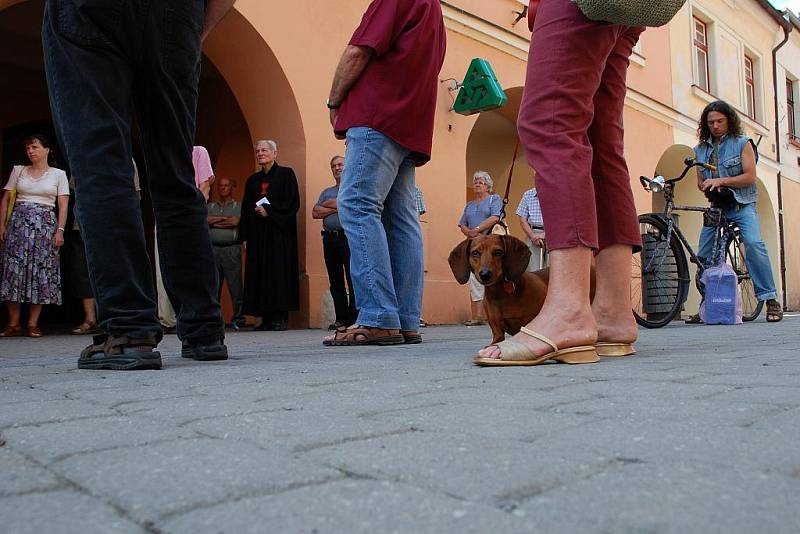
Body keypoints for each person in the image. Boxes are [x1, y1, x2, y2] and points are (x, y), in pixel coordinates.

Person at [42, 0, 235, 369]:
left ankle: (129, 330)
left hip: (90, 13)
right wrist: (192, 31)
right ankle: (204, 331)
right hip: (177, 15)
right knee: (176, 172)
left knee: (101, 163)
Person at [476, 0, 644, 365]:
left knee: (550, 123)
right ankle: (612, 312)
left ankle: (569, 311)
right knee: (601, 141)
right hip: (622, 10)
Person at [324, 0, 446, 346]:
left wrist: (334, 102)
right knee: (401, 218)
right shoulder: (433, 9)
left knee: (357, 206)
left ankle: (378, 315)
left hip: (377, 115)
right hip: (408, 123)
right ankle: (405, 318)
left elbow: (357, 52)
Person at [685, 100, 782, 323]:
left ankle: (770, 300)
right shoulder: (700, 150)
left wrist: (722, 180)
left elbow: (749, 177)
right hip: (717, 207)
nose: (715, 126)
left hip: (741, 204)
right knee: (703, 254)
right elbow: (700, 181)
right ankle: (708, 304)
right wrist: (708, 185)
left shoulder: (742, 143)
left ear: (729, 121)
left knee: (754, 244)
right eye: (711, 122)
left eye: (720, 121)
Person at [0, 134, 69, 338]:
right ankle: (13, 323)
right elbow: (5, 199)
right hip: (18, 226)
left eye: (34, 147)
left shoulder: (58, 174)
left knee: (39, 271)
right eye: (28, 148)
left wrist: (60, 230)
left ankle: (32, 323)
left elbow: (63, 204)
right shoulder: (18, 170)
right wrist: (2, 225)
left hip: (44, 226)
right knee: (14, 270)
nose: (30, 151)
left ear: (46, 149)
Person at [239, 140, 300, 331]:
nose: (260, 153)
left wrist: (269, 212)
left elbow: (292, 203)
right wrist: (245, 237)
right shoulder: (252, 180)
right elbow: (245, 210)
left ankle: (280, 318)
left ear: (275, 153)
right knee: (260, 273)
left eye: (264, 150)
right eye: (257, 151)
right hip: (257, 235)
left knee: (278, 272)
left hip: (279, 234)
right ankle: (265, 318)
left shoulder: (286, 174)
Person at [155, 145, 216, 333]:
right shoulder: (163, 152)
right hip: (165, 214)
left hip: (189, 215)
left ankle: (194, 316)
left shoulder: (198, 152)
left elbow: (204, 187)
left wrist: (196, 212)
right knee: (163, 268)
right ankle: (167, 319)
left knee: (192, 267)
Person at [313, 155, 357, 330]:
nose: (337, 168)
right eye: (334, 166)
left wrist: (332, 205)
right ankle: (341, 319)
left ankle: (354, 318)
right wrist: (339, 205)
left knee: (353, 278)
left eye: (340, 164)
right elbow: (315, 213)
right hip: (329, 239)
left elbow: (353, 207)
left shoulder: (353, 188)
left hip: (348, 238)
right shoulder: (326, 192)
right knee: (335, 280)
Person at [458, 171, 502, 327]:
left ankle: (495, 314)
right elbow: (462, 223)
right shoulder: (469, 205)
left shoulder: (493, 199)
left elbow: (496, 217)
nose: (477, 184)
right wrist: (468, 232)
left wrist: (476, 229)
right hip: (475, 245)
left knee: (492, 277)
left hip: (490, 244)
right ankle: (478, 316)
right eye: (476, 181)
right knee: (475, 279)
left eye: (481, 182)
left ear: (488, 186)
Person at [207, 177, 244, 328]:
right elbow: (206, 220)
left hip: (231, 248)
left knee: (235, 286)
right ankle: (214, 319)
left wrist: (216, 222)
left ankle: (238, 319)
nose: (223, 188)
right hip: (213, 249)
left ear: (232, 187)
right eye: (220, 186)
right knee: (213, 286)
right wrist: (225, 219)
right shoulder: (210, 206)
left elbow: (236, 221)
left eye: (226, 185)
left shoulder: (238, 205)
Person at [516, 185, 547, 271]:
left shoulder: (557, 193)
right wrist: (533, 236)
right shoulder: (528, 194)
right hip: (532, 233)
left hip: (553, 234)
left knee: (551, 270)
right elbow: (522, 220)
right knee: (533, 270)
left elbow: (560, 220)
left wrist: (545, 235)